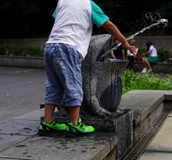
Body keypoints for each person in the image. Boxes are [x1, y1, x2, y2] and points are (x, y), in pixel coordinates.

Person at [38, 0, 136, 136]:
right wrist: (124, 42)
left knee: (53, 86)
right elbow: (109, 25)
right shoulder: (88, 4)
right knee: (74, 85)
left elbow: (61, 19)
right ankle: (74, 124)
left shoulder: (62, 1)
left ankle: (47, 123)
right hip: (69, 47)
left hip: (51, 46)